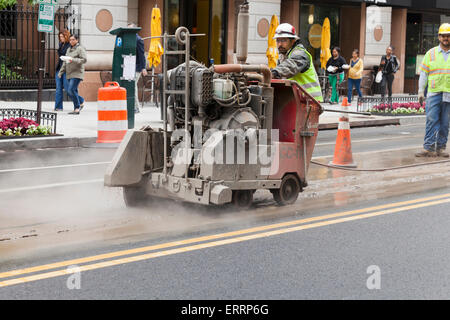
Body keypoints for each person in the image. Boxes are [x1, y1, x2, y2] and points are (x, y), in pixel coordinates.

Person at [415, 23, 450, 158]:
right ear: (439, 37)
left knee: (445, 122)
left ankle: (440, 148)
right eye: (443, 36)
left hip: (448, 93)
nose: (446, 38)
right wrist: (420, 91)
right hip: (434, 92)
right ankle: (428, 148)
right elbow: (423, 74)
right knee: (431, 119)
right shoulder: (431, 53)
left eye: (448, 36)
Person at [271, 23, 323, 102]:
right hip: (298, 100)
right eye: (278, 40)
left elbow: (290, 66)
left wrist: (273, 73)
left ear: (293, 41)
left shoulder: (300, 53)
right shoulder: (283, 56)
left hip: (311, 101)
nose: (279, 44)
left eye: (283, 40)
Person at [58, 34, 86, 115]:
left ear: (77, 40)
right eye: (70, 40)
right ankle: (79, 105)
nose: (71, 41)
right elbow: (65, 62)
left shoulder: (80, 49)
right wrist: (61, 72)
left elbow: (84, 60)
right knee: (73, 90)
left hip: (77, 73)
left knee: (70, 90)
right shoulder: (68, 49)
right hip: (69, 73)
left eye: (73, 39)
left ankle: (77, 108)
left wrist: (73, 59)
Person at [128, 22, 148, 113]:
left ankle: (136, 107)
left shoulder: (138, 40)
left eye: (130, 28)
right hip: (130, 66)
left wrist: (143, 67)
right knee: (131, 86)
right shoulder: (129, 39)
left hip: (137, 67)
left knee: (133, 86)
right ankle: (134, 106)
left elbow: (141, 54)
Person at [54, 29, 71, 111]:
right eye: (60, 37)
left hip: (66, 69)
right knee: (58, 88)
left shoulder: (69, 45)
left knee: (68, 88)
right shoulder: (61, 44)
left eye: (62, 36)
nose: (61, 38)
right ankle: (58, 107)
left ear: (66, 36)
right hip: (59, 68)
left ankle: (80, 100)